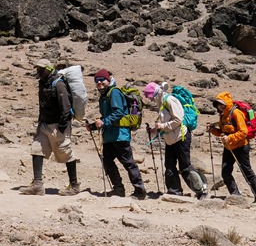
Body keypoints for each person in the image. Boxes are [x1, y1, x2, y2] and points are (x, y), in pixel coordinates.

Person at [20, 59, 80, 196]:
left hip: (58, 125)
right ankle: (37, 185)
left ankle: (74, 185)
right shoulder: (42, 83)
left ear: (49, 69)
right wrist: (40, 122)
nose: (38, 71)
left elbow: (66, 108)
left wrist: (62, 127)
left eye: (41, 69)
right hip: (44, 124)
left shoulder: (58, 84)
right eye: (37, 69)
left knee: (65, 153)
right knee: (36, 149)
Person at [88, 69, 147, 199]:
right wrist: (93, 126)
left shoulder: (114, 92)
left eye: (102, 79)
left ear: (108, 80)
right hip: (110, 136)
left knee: (128, 162)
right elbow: (106, 116)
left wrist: (103, 122)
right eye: (97, 81)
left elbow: (118, 112)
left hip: (120, 135)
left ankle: (140, 191)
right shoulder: (104, 95)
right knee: (107, 161)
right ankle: (118, 189)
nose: (99, 82)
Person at [144, 82, 206, 199]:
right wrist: (154, 130)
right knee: (169, 165)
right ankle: (174, 191)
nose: (150, 99)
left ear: (154, 94)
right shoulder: (161, 102)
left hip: (181, 137)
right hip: (170, 139)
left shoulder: (169, 100)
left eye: (149, 96)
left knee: (185, 166)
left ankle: (201, 190)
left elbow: (178, 119)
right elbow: (166, 123)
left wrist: (163, 126)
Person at [208, 92, 256, 205]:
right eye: (218, 104)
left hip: (241, 146)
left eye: (221, 104)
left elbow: (243, 132)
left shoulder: (236, 113)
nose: (220, 106)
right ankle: (236, 196)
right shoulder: (223, 116)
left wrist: (229, 138)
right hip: (229, 147)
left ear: (226, 103)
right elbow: (223, 132)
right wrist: (213, 130)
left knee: (246, 171)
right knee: (225, 172)